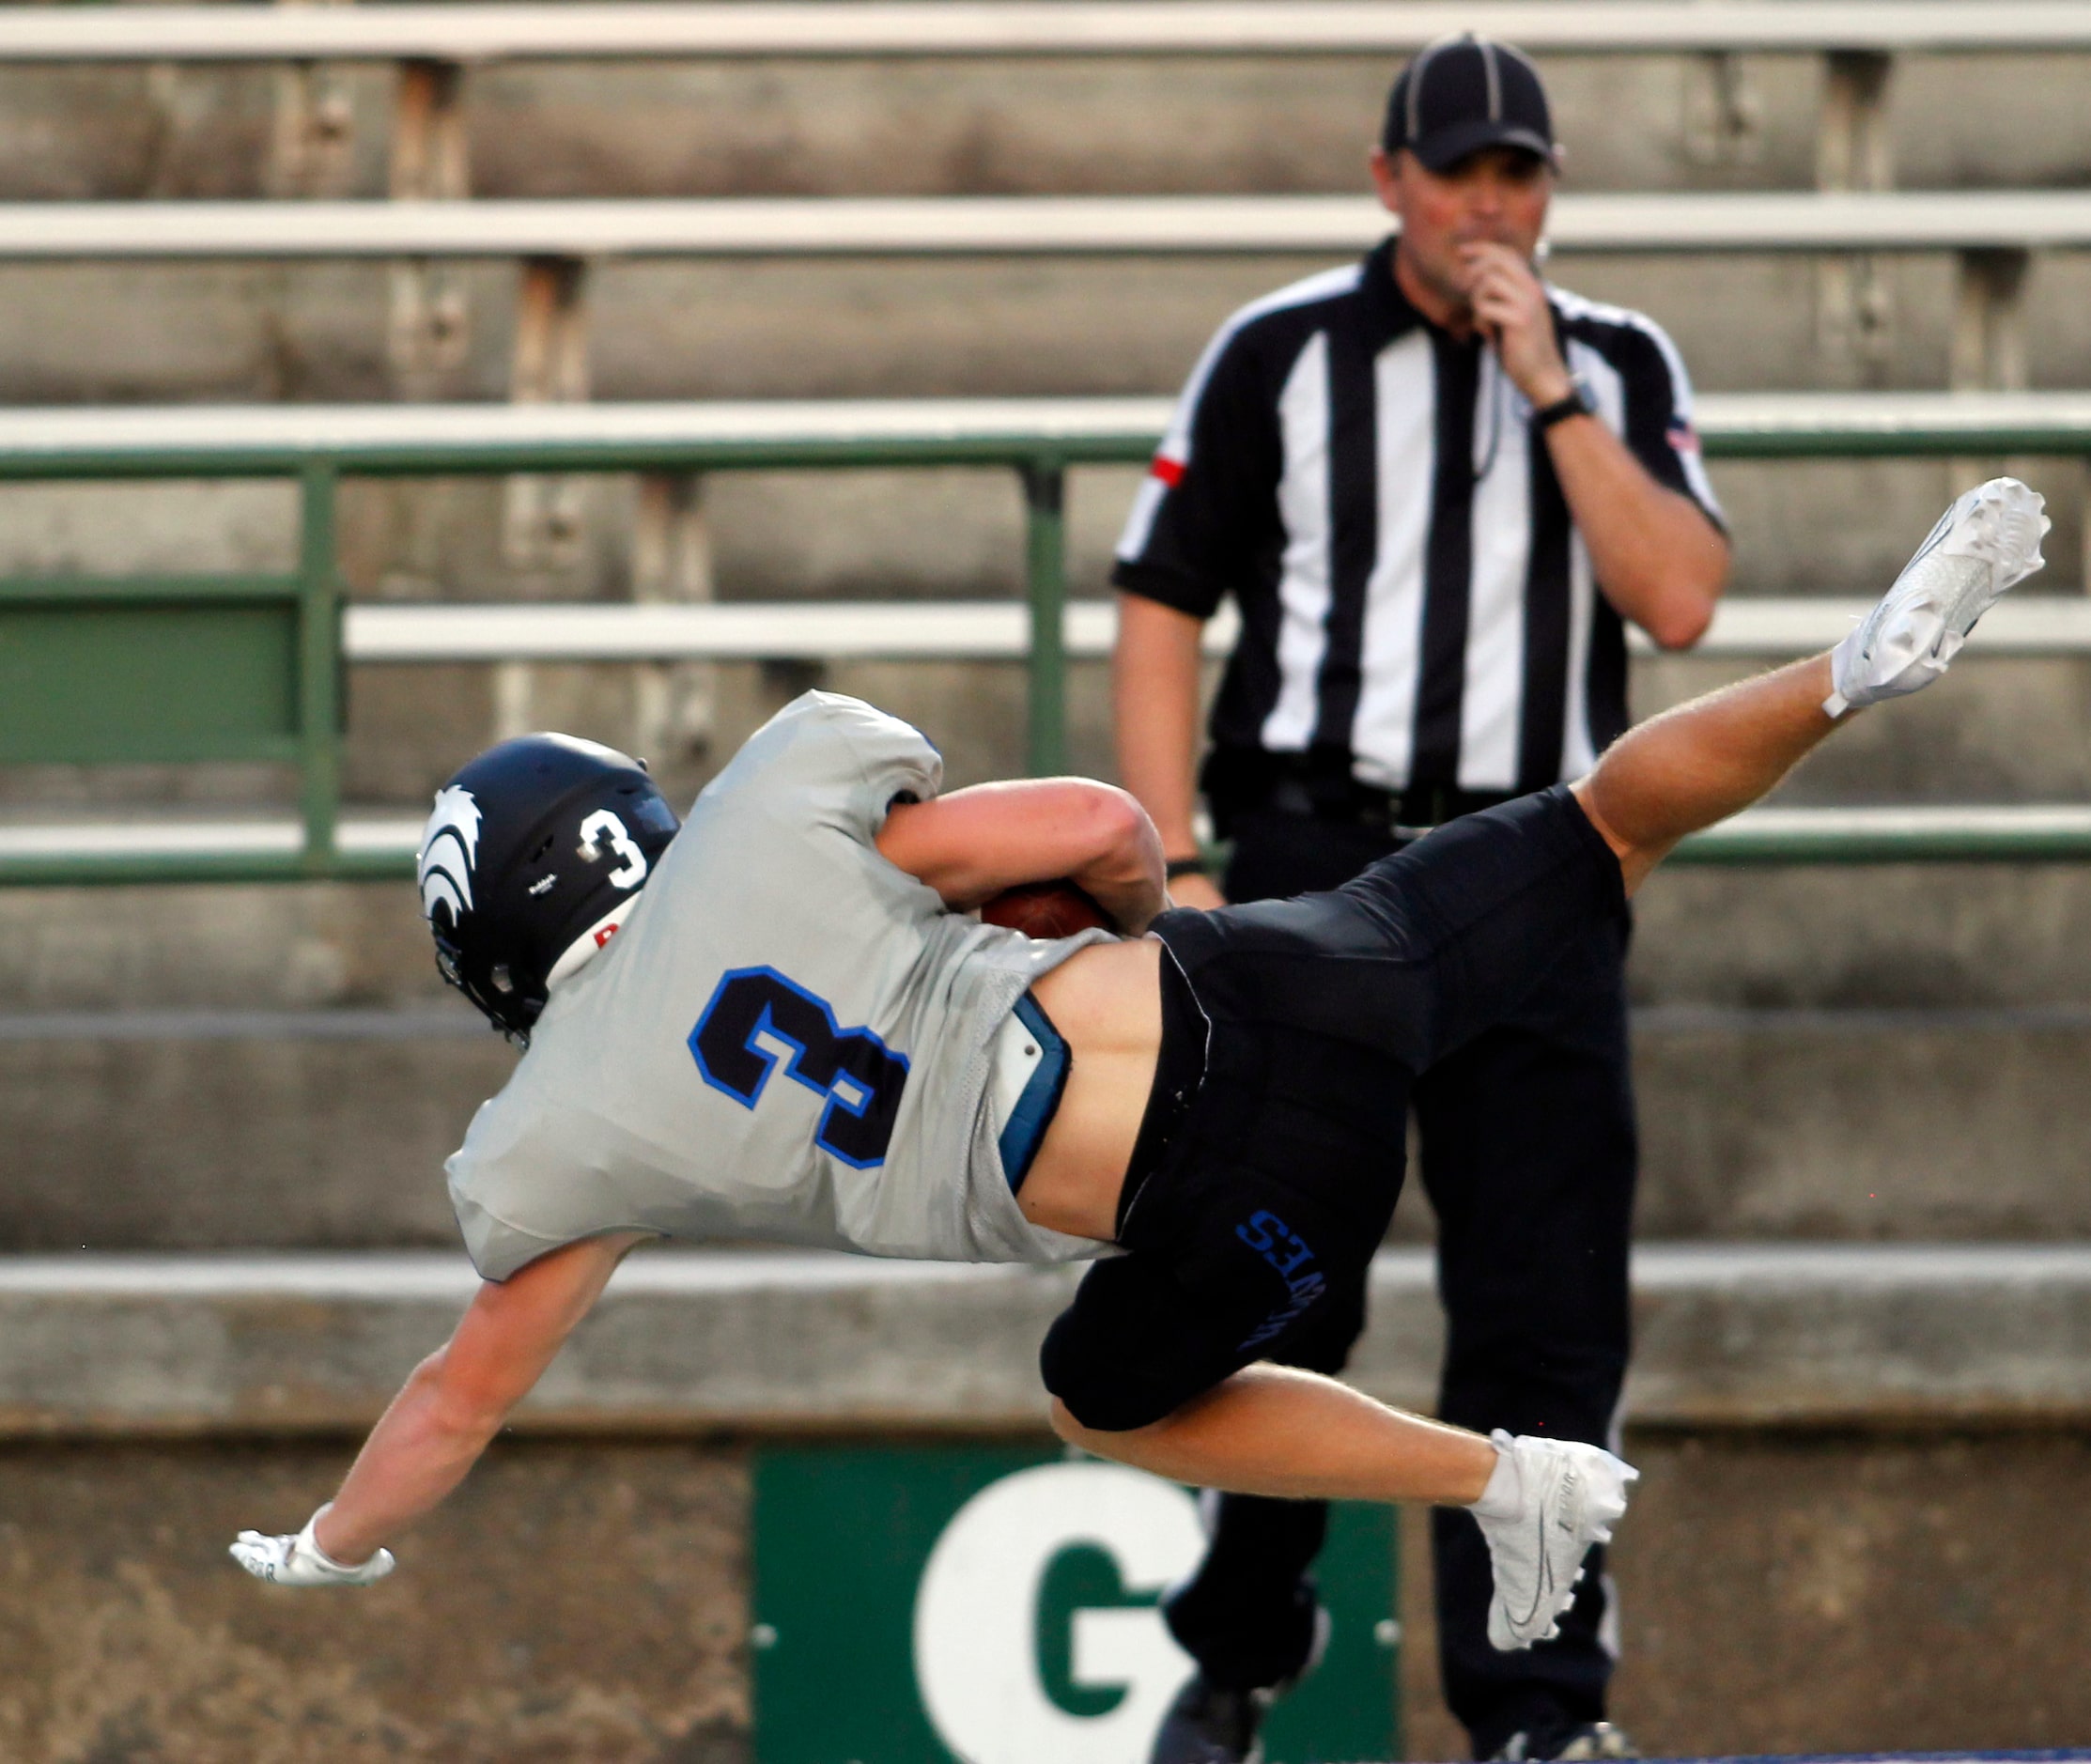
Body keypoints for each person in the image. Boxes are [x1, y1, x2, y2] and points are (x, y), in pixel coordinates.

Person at [231, 486, 2045, 1750]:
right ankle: (1845, 673)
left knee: (1105, 1396)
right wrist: (1100, 930)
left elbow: (463, 1387)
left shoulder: (569, 1130)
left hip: (1245, 1207)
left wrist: (338, 1537)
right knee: (1594, 827)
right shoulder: (776, 815)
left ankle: (1505, 1479)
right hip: (1283, 975)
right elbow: (1102, 819)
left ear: (505, 942)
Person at [1109, 32, 1731, 1762]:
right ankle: (1236, 1648)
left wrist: (1547, 388)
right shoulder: (1279, 356)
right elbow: (1160, 598)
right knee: (1269, 1272)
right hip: (1321, 857)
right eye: (1452, 170)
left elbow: (1675, 601)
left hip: (1538, 864)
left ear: (1549, 188)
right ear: (1385, 179)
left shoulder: (1609, 360)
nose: (1483, 203)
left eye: (1514, 172)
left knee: (1541, 1301)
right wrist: (1172, 860)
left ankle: (1534, 1708)